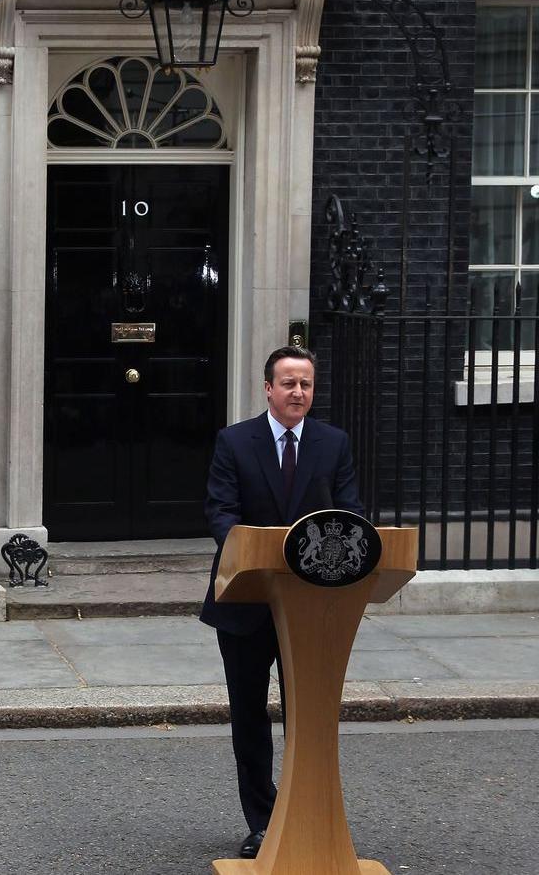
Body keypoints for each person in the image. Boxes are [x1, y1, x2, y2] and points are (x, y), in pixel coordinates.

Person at [198, 345, 363, 859]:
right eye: (289, 383)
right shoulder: (234, 441)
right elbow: (220, 512)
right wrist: (254, 550)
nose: (298, 392)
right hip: (245, 601)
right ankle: (261, 822)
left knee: (305, 713)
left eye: (306, 384)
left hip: (312, 606)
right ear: (268, 389)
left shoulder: (333, 444)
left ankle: (305, 811)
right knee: (249, 713)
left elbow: (350, 513)